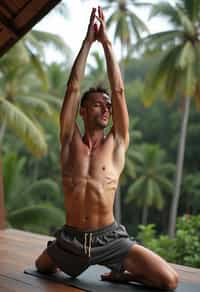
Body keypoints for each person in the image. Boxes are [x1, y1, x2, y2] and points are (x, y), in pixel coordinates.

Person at [35, 6, 179, 290]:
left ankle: (124, 272)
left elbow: (119, 91)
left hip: (109, 238)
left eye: (108, 107)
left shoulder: (117, 143)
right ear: (83, 111)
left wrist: (108, 44)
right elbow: (73, 87)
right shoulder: (69, 140)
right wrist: (88, 42)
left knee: (169, 281)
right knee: (41, 267)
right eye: (98, 104)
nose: (106, 109)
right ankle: (71, 256)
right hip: (71, 238)